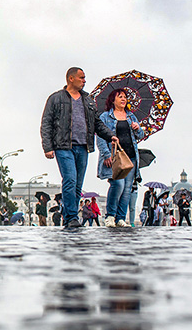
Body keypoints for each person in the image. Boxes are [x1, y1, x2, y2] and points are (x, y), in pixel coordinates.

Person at [41, 67, 118, 228]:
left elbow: (96, 123)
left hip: (83, 147)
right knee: (69, 179)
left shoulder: (88, 100)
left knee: (77, 185)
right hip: (63, 146)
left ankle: (71, 216)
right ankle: (71, 217)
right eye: (81, 78)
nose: (84, 81)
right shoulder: (56, 99)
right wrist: (47, 146)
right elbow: (46, 123)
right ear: (71, 78)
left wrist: (110, 135)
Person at [96, 88, 144, 228]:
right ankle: (110, 216)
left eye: (125, 97)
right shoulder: (105, 116)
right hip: (115, 156)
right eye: (120, 97)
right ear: (113, 100)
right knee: (118, 184)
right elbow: (100, 136)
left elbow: (140, 136)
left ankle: (121, 218)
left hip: (131, 157)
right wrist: (105, 154)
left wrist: (137, 129)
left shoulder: (131, 117)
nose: (123, 99)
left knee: (127, 188)